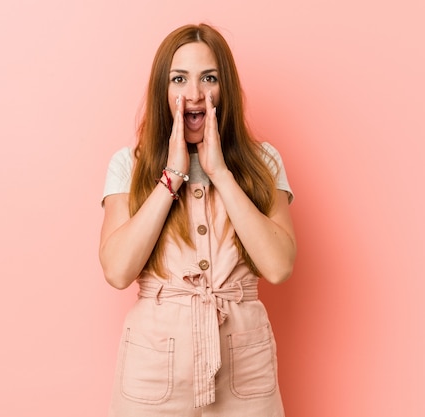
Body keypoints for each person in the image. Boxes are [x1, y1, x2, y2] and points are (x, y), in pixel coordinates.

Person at [99, 23, 296, 417]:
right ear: (163, 90)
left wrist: (221, 172)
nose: (194, 94)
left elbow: (278, 266)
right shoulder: (129, 165)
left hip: (245, 372)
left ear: (225, 89)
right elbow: (118, 271)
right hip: (153, 372)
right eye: (179, 79)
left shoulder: (264, 162)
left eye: (209, 78)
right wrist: (170, 178)